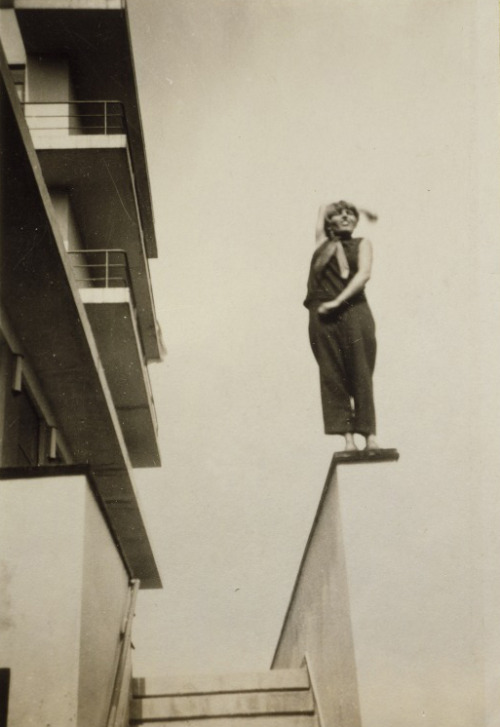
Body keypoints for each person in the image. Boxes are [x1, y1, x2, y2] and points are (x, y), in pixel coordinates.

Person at [304, 200, 379, 451]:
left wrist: (336, 303)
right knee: (332, 373)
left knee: (360, 370)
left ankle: (370, 437)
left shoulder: (362, 244)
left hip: (352, 310)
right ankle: (348, 440)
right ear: (330, 221)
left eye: (351, 215)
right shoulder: (321, 244)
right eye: (340, 214)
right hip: (322, 316)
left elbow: (363, 275)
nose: (346, 217)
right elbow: (322, 205)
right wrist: (360, 207)